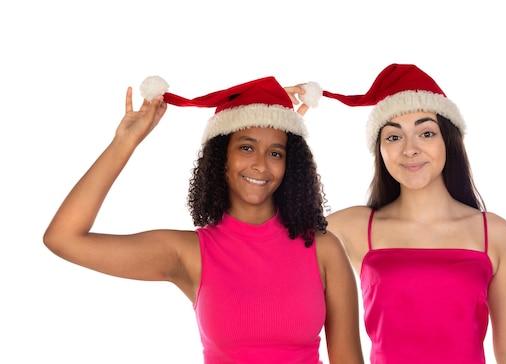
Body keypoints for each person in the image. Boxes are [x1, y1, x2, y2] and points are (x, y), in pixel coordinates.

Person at [43, 75, 364, 364]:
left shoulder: (322, 249)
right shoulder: (189, 252)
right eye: (247, 147)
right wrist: (125, 141)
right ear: (220, 157)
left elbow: (348, 359)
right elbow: (63, 239)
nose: (261, 165)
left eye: (276, 152)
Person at [288, 63, 506, 363]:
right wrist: (277, 126)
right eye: (393, 137)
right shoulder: (353, 226)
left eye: (426, 133)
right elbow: (272, 231)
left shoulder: (493, 233)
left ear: (449, 140)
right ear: (379, 149)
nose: (410, 149)